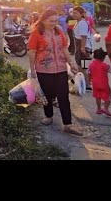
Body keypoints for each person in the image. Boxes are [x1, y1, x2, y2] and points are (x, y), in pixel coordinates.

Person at [28, 8, 83, 136]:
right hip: (43, 70)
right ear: (43, 20)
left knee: (63, 96)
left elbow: (64, 49)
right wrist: (33, 69)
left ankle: (67, 124)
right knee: (47, 95)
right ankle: (48, 116)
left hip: (61, 69)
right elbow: (32, 52)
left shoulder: (59, 31)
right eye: (51, 21)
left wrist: (71, 63)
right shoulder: (36, 33)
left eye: (55, 21)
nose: (54, 23)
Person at [88, 48, 111, 117]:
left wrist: (89, 81)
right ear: (103, 57)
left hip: (95, 84)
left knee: (98, 96)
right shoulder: (104, 65)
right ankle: (106, 108)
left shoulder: (91, 65)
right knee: (108, 95)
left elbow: (89, 73)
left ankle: (99, 109)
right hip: (104, 84)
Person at [72, 6, 93, 89]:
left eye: (76, 13)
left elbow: (83, 36)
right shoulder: (78, 22)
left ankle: (87, 85)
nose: (74, 15)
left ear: (81, 14)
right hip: (79, 47)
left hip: (83, 47)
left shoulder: (82, 23)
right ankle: (83, 83)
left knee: (83, 67)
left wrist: (82, 49)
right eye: (73, 13)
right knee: (80, 66)